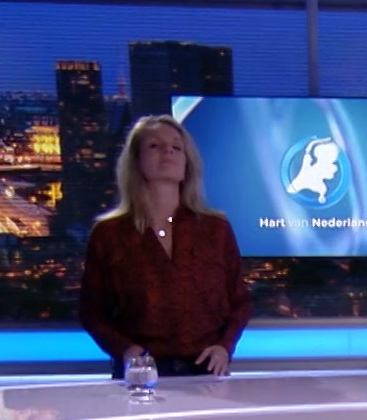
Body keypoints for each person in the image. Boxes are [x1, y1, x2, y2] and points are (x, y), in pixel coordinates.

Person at [80, 115, 250, 378]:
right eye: (154, 145)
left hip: (207, 372)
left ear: (187, 162)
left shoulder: (216, 229)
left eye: (176, 146)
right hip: (141, 374)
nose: (167, 151)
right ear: (136, 160)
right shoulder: (109, 233)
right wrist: (126, 350)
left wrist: (224, 347)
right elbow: (92, 311)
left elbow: (240, 301)